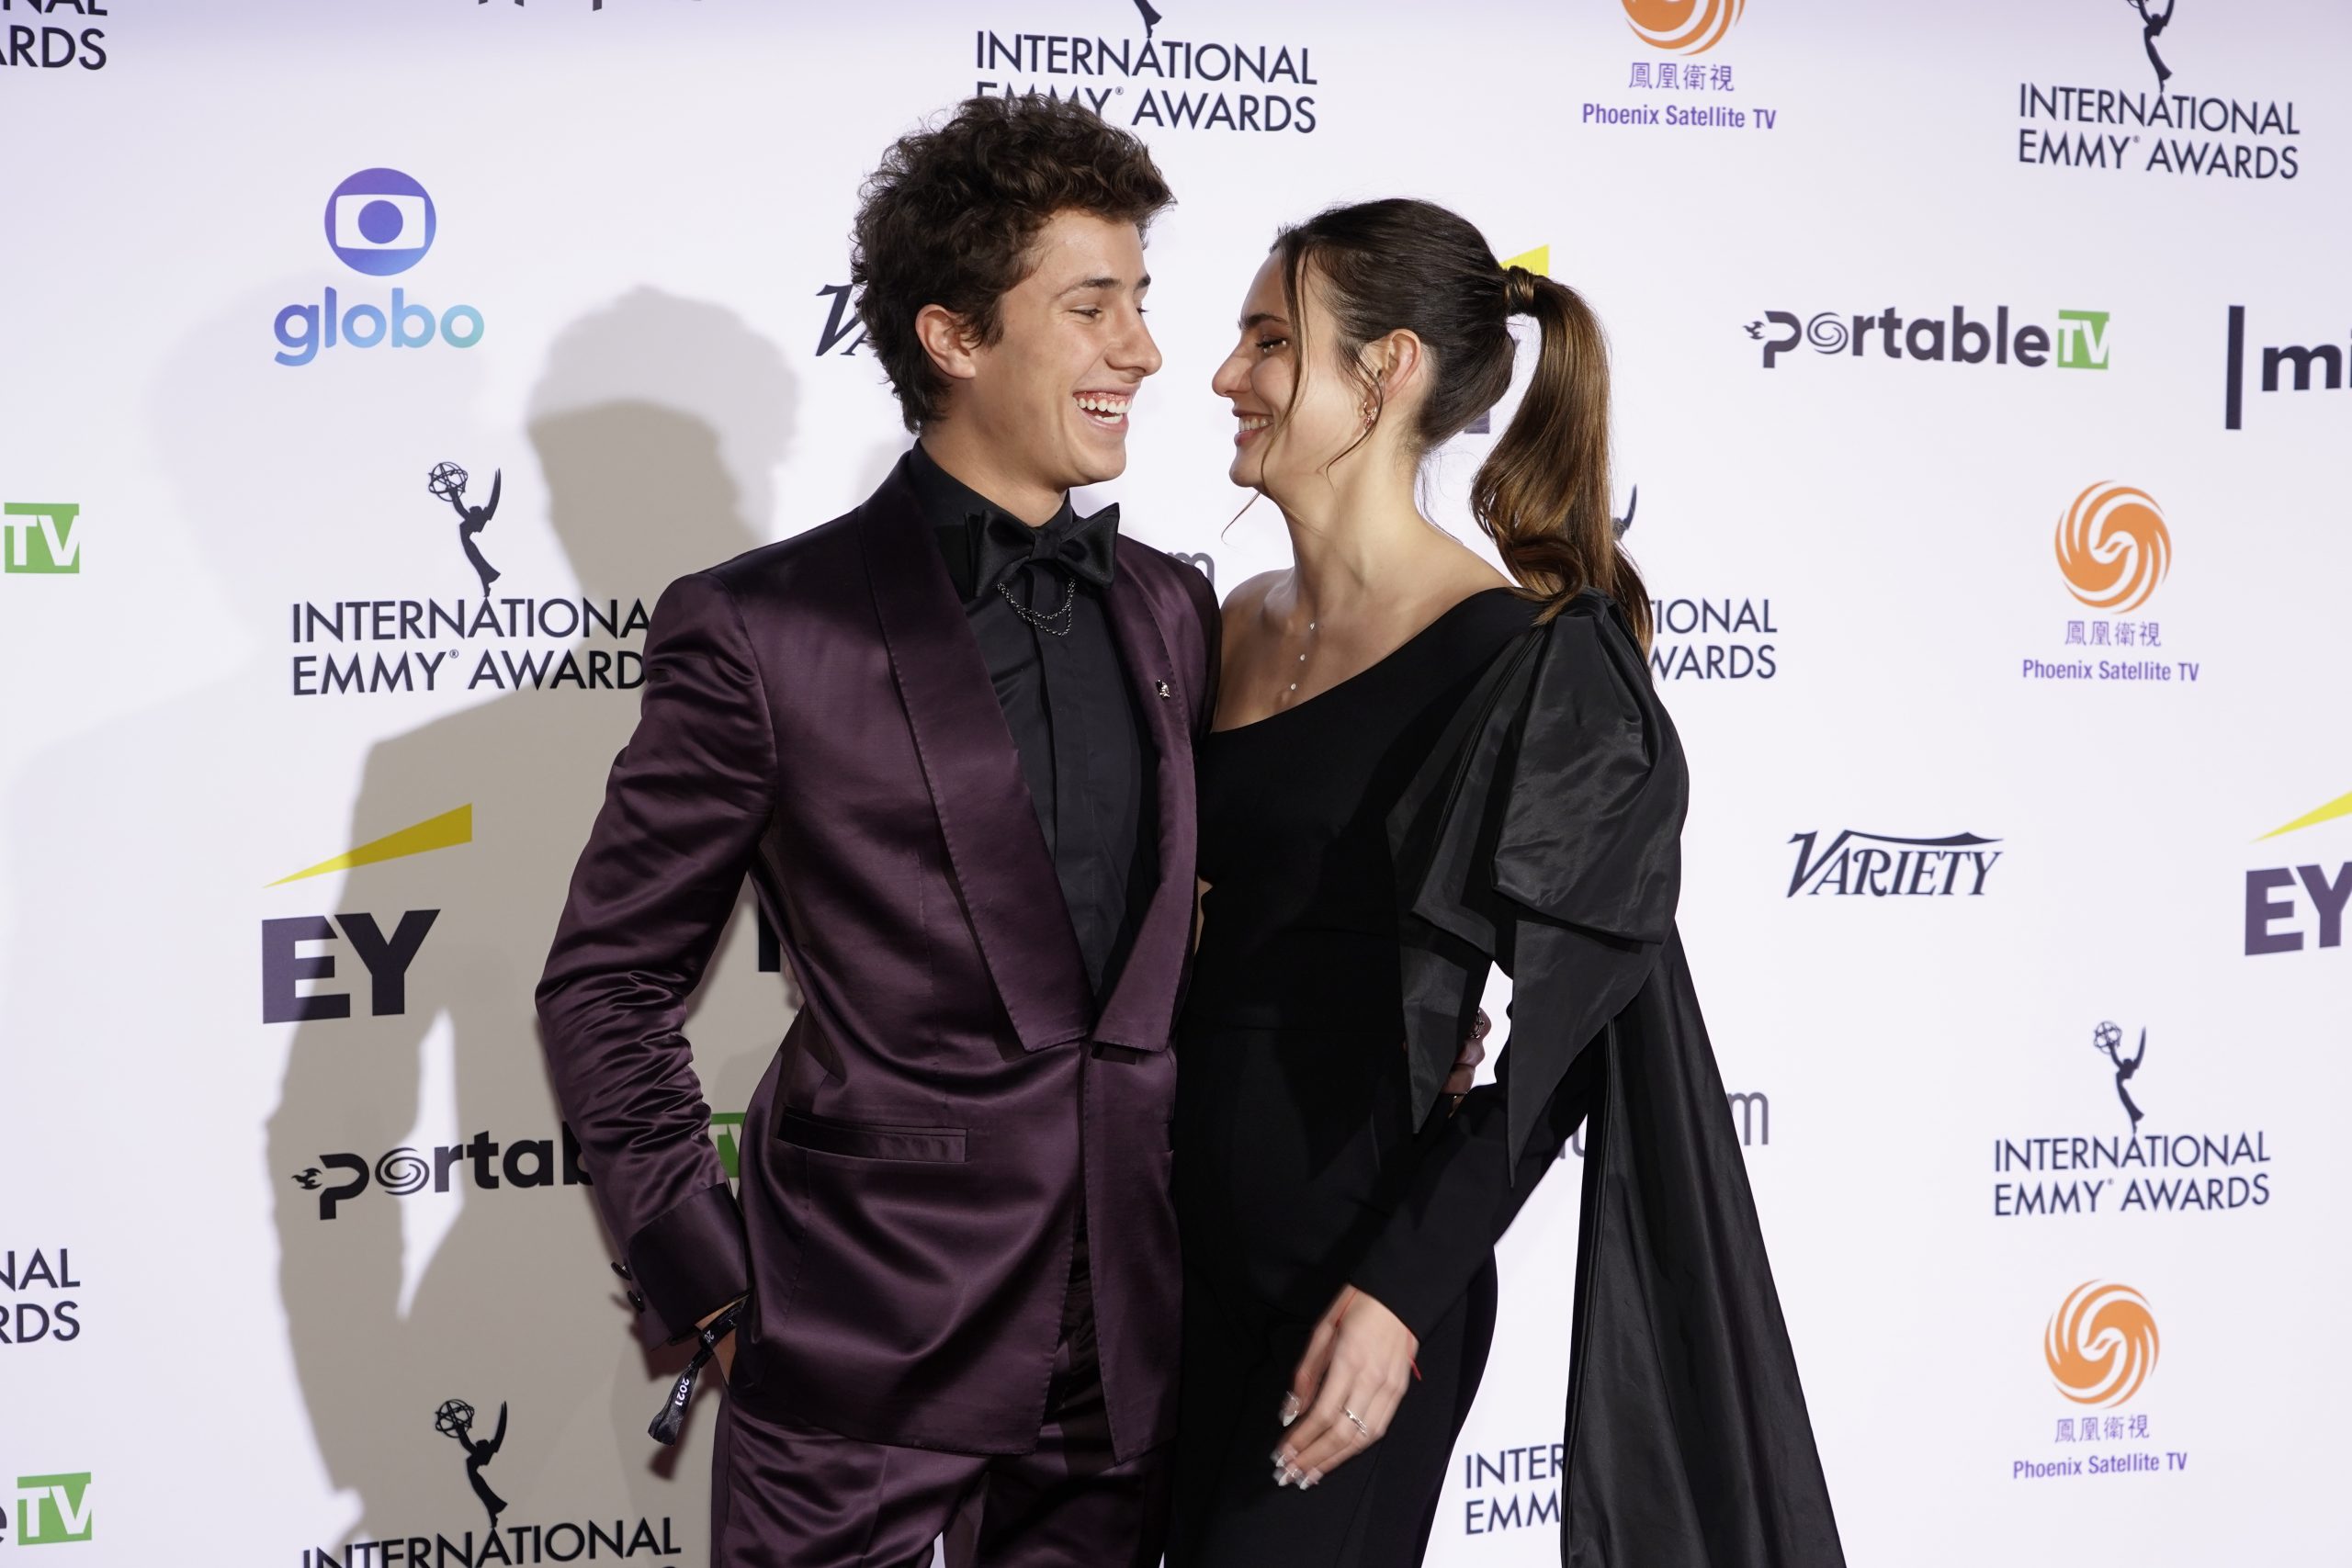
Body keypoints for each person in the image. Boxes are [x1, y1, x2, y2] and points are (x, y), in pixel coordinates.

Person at [536, 96, 1218, 1568]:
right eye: (1091, 306)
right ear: (954, 337)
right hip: (860, 1343)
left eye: (1141, 301)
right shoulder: (765, 629)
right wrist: (708, 1276)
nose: (1144, 350)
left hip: (1125, 1352)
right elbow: (607, 981)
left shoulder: (1172, 606)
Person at [1170, 198, 1846, 1566]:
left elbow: (1572, 1036)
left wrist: (1400, 1291)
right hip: (1165, 1261)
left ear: (1387, 369)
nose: (1226, 374)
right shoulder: (1226, 624)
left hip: (1351, 1280)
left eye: (1269, 340)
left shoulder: (1525, 661)